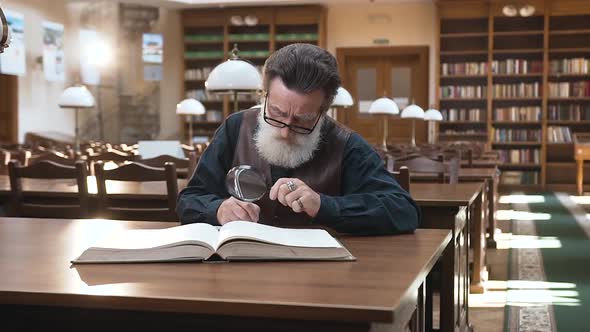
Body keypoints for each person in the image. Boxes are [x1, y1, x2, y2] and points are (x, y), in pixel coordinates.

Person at [176, 43, 419, 235]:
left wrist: (324, 205)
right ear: (264, 95)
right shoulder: (235, 127)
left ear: (324, 111)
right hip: (240, 271)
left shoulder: (346, 144)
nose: (285, 131)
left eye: (302, 120)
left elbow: (404, 211)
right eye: (277, 114)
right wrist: (218, 210)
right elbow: (189, 200)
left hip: (321, 282)